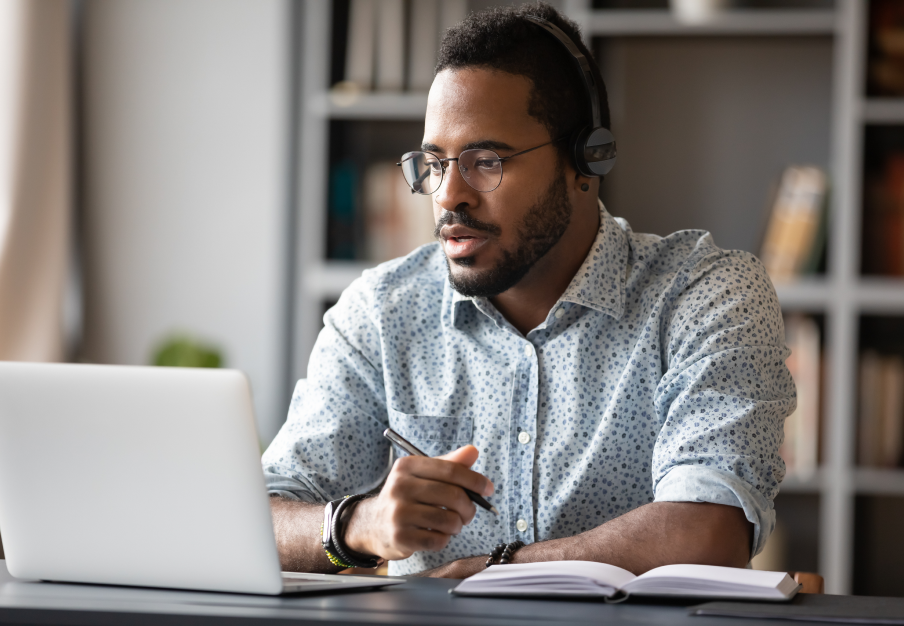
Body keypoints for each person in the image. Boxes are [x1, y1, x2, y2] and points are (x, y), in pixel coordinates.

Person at [262, 2, 795, 579]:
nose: (447, 195)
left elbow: (708, 532)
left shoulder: (705, 294)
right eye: (434, 163)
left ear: (586, 159)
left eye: (486, 160)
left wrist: (501, 569)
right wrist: (356, 525)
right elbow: (258, 518)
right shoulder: (382, 312)